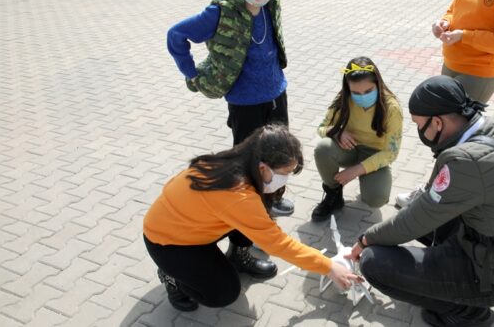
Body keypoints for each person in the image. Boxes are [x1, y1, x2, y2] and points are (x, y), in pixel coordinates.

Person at [346, 76, 494, 327]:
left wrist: (365, 239)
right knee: (423, 213)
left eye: (420, 125)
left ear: (438, 122)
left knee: (373, 262)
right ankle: (445, 277)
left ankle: (468, 314)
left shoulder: (467, 162)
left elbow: (415, 221)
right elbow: (428, 204)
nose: (420, 132)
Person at [143, 125, 360, 311]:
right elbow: (278, 244)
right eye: (284, 172)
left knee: (257, 216)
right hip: (168, 242)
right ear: (263, 167)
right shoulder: (237, 196)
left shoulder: (232, 164)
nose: (284, 179)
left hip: (190, 225)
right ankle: (172, 277)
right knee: (223, 293)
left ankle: (236, 255)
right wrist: (329, 266)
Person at [166, 0, 295, 217]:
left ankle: (273, 198)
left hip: (277, 91)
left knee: (280, 153)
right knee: (250, 159)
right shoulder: (220, 11)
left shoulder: (270, 2)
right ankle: (249, 213)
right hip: (245, 101)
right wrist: (191, 73)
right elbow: (176, 35)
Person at [311, 57, 403, 222]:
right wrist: (336, 132)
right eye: (356, 93)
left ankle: (368, 179)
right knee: (323, 148)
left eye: (368, 91)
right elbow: (321, 128)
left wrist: (357, 170)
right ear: (348, 89)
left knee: (376, 199)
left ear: (378, 84)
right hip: (349, 149)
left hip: (375, 154)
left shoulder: (392, 108)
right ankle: (333, 194)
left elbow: (391, 153)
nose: (362, 97)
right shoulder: (343, 100)